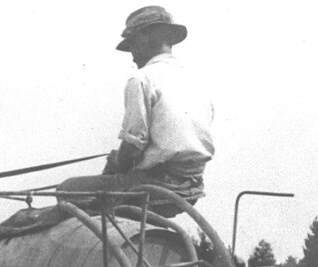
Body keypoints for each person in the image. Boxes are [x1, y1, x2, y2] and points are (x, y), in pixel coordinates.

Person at [58, 6, 215, 209]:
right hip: (192, 187)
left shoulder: (141, 78)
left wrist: (116, 166)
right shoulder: (196, 81)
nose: (132, 55)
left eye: (132, 45)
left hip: (156, 184)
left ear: (144, 37)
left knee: (67, 188)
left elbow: (133, 146)